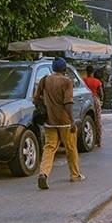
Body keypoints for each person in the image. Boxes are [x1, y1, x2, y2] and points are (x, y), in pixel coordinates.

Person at [33, 57, 84, 189]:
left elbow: (35, 99)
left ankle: (43, 173)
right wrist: (72, 121)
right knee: (71, 148)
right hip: (65, 121)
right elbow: (68, 103)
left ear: (53, 68)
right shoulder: (67, 81)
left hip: (49, 121)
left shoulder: (45, 80)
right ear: (64, 69)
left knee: (49, 148)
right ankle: (75, 175)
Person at [84, 65, 103, 147]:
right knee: (97, 120)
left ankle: (90, 138)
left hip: (86, 99)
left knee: (88, 119)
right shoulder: (97, 81)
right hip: (95, 99)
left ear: (86, 72)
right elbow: (101, 93)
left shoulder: (83, 81)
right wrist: (101, 100)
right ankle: (98, 141)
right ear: (93, 72)